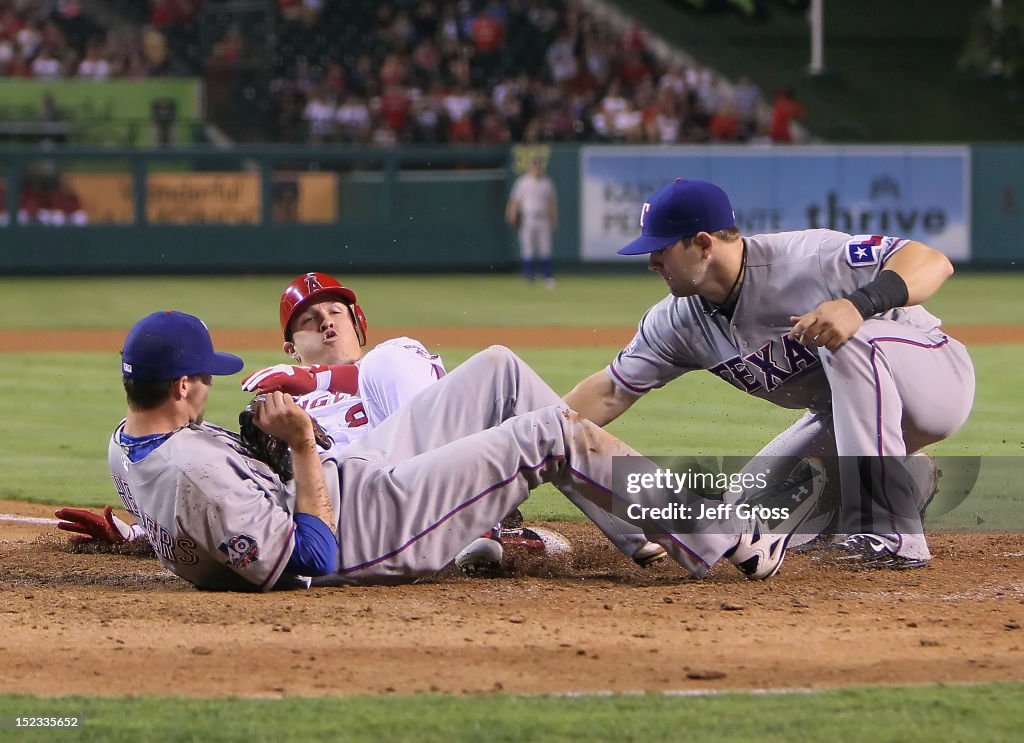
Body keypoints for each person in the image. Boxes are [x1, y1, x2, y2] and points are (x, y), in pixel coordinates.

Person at [85, 305, 811, 592]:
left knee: (497, 366)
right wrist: (303, 444)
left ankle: (641, 531)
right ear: (180, 384)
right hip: (364, 526)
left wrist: (134, 533)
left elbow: (189, 519)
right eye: (204, 377)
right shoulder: (194, 471)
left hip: (351, 476)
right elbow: (306, 558)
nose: (213, 385)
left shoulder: (132, 443)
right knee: (550, 432)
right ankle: (725, 537)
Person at [564, 178, 975, 570]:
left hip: (932, 381)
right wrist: (537, 435)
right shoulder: (677, 322)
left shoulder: (807, 257)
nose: (652, 261)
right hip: (850, 417)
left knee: (847, 340)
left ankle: (889, 533)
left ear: (703, 244)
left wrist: (858, 304)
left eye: (662, 249)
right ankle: (907, 481)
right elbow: (609, 391)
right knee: (746, 507)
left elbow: (932, 261)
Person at [505, 156, 558, 287]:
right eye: (534, 166)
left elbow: (552, 203)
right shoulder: (523, 182)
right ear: (530, 167)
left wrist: (554, 219)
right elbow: (515, 200)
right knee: (528, 248)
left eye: (538, 166)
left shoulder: (547, 183)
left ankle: (547, 276)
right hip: (527, 217)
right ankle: (529, 276)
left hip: (543, 218)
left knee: (545, 248)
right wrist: (511, 213)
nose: (536, 168)